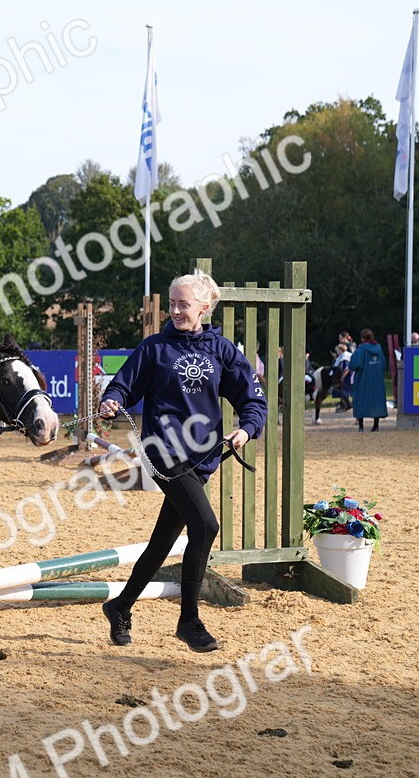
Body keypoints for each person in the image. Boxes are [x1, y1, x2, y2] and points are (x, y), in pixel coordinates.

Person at [96, 270, 267, 653]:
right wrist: (113, 400)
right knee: (205, 526)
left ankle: (120, 605)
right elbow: (124, 385)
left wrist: (246, 429)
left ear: (204, 307)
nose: (174, 310)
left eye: (183, 304)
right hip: (163, 451)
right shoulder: (154, 348)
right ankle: (189, 620)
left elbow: (253, 400)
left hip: (201, 458)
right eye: (172, 303)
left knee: (162, 542)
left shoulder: (222, 350)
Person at [349, 328, 388, 432]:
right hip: (377, 381)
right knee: (377, 401)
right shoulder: (379, 350)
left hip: (363, 380)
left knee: (361, 399)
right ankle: (376, 425)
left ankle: (361, 426)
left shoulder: (361, 350)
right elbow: (384, 365)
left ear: (362, 338)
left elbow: (354, 365)